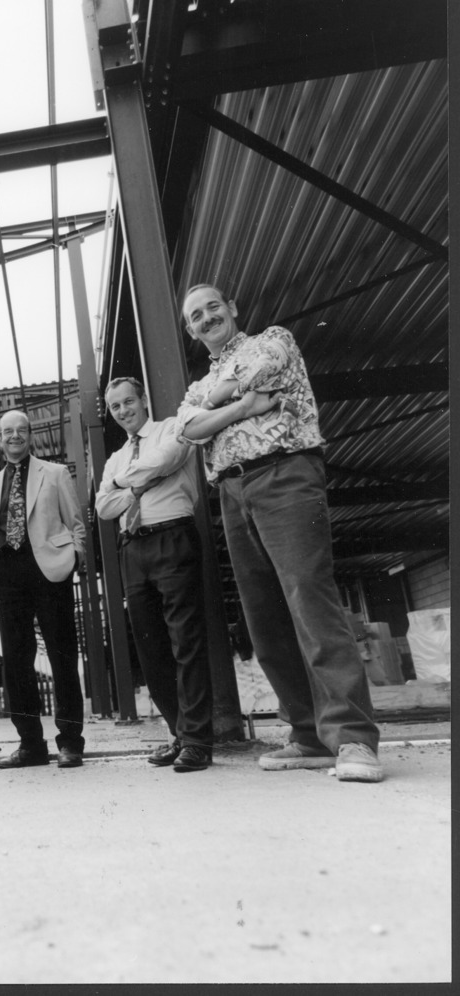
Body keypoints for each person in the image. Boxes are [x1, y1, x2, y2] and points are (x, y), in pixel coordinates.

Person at [176, 283, 382, 783]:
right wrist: (243, 407)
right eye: (195, 316)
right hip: (232, 490)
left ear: (232, 307)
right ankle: (308, 735)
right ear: (190, 330)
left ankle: (353, 737)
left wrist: (212, 405)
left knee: (310, 600)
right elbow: (185, 427)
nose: (206, 318)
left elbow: (257, 371)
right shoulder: (199, 383)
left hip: (284, 473)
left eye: (213, 307)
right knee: (264, 616)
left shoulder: (272, 339)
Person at [95, 376, 214, 772]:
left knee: (186, 641)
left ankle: (197, 741)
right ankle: (178, 733)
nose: (123, 411)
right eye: (115, 407)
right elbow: (103, 507)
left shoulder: (172, 429)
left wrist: (120, 482)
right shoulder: (115, 457)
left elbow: (164, 460)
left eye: (128, 401)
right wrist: (135, 487)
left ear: (143, 399)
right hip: (133, 547)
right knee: (150, 648)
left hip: (172, 536)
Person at [0, 409, 86, 769]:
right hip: (8, 575)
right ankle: (30, 745)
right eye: (7, 431)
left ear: (30, 435)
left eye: (21, 430)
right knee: (16, 662)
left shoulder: (55, 474)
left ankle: (70, 742)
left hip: (49, 571)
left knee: (62, 656)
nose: (15, 436)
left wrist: (76, 556)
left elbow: (75, 523)